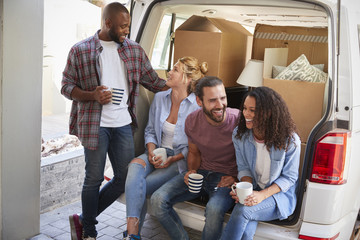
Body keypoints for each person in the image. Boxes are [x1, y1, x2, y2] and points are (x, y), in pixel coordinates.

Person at [60, 2, 167, 240]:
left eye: (128, 26)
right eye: (122, 27)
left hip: (122, 125)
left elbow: (154, 81)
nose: (126, 31)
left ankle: (84, 218)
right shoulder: (81, 50)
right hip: (94, 126)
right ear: (107, 23)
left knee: (124, 178)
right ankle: (88, 232)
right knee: (94, 179)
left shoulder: (134, 50)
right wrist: (92, 96)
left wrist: (187, 87)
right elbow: (66, 87)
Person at [123, 56, 208, 240]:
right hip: (157, 152)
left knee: (139, 186)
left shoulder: (196, 107)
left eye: (175, 70)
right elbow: (151, 130)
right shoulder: (160, 98)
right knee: (134, 166)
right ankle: (132, 233)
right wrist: (152, 150)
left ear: (186, 79)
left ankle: (132, 235)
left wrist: (172, 158)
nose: (169, 72)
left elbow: (195, 148)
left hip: (179, 160)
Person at [150, 76, 239, 240]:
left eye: (223, 98)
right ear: (199, 101)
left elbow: (251, 160)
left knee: (213, 210)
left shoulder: (238, 121)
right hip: (201, 172)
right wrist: (191, 171)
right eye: (212, 100)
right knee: (157, 201)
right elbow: (194, 152)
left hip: (226, 178)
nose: (220, 105)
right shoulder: (192, 120)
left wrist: (236, 178)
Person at [220, 86, 301, 240]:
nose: (246, 114)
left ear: (269, 112)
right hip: (255, 189)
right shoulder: (239, 134)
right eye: (244, 108)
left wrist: (261, 196)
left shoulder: (290, 141)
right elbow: (243, 168)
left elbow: (290, 178)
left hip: (278, 196)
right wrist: (246, 190)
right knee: (245, 233)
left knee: (243, 211)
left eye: (253, 110)